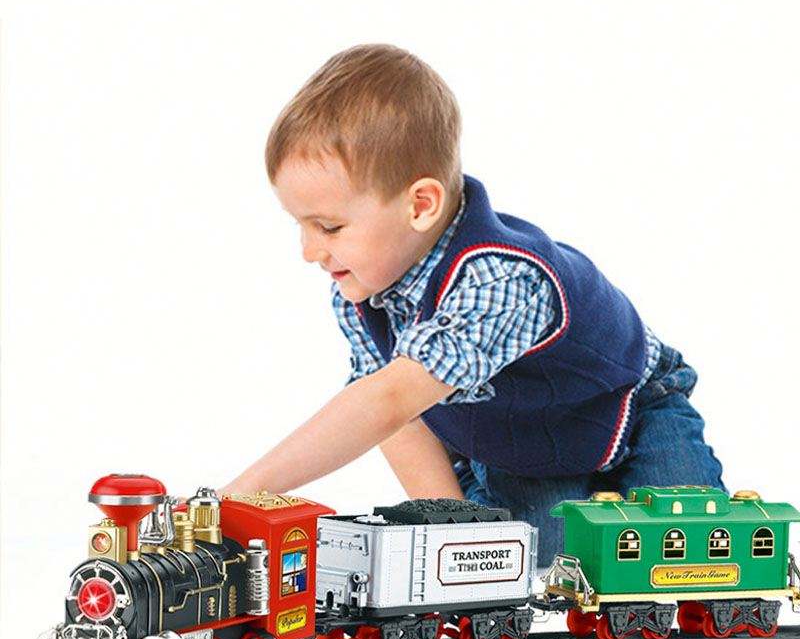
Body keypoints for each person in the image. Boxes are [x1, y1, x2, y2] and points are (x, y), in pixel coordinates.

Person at [220, 43, 724, 563]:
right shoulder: (362, 289)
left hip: (633, 406)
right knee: (533, 559)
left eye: (328, 227)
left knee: (689, 546)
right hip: (524, 442)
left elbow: (387, 401)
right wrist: (455, 532)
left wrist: (237, 494)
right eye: (300, 225)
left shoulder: (497, 279)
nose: (309, 251)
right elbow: (399, 420)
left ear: (421, 205)